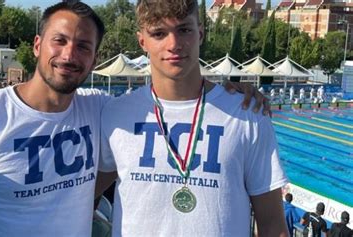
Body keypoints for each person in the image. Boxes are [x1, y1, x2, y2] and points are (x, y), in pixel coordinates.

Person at [0, 1, 268, 236]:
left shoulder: (101, 109)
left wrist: (228, 91)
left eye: (83, 46)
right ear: (37, 45)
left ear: (95, 57)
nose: (70, 55)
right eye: (60, 41)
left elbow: (171, 108)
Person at [97, 0, 288, 236]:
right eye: (159, 33)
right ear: (142, 41)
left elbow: (272, 225)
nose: (174, 44)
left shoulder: (247, 114)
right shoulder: (115, 114)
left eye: (184, 30)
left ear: (200, 33)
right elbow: (76, 196)